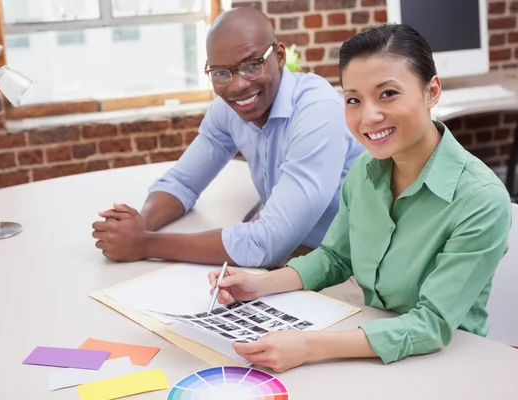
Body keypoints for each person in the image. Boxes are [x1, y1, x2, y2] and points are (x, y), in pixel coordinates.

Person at [208, 23, 513, 372]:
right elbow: (336, 257)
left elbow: (432, 324)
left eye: (388, 94)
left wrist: (307, 345)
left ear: (432, 92)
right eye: (354, 99)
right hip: (368, 342)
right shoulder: (366, 171)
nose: (368, 116)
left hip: (447, 363)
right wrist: (259, 284)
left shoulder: (481, 200)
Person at [91, 7, 364, 268]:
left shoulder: (318, 111)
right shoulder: (228, 108)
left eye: (252, 65)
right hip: (296, 254)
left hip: (349, 263)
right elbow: (183, 182)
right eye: (221, 72)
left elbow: (269, 243)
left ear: (279, 56)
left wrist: (144, 244)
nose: (237, 85)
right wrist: (138, 224)